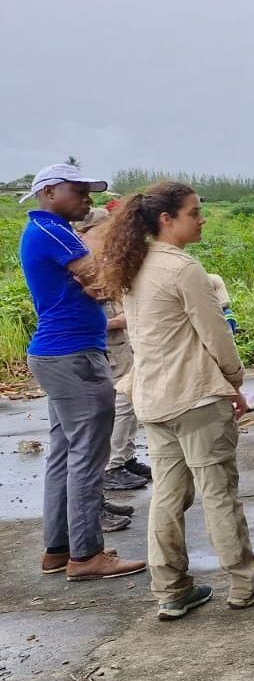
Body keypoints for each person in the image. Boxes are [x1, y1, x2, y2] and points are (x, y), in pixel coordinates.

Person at [97, 182, 254, 620]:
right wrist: (235, 382)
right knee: (218, 492)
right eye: (194, 212)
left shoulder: (136, 264)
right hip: (194, 397)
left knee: (168, 496)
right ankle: (248, 581)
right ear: (167, 220)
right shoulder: (182, 268)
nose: (202, 218)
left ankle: (171, 588)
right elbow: (216, 335)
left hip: (152, 397)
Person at [21, 164, 147, 582]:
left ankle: (58, 549)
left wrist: (95, 281)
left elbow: (94, 282)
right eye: (79, 191)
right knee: (87, 456)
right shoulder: (53, 230)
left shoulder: (44, 232)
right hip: (74, 356)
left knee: (64, 454)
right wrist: (105, 276)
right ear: (51, 191)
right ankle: (87, 555)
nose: (86, 199)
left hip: (56, 355)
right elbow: (101, 279)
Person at [77, 207, 149, 500]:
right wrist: (122, 319)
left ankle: (125, 457)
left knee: (129, 402)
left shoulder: (101, 262)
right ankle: (113, 465)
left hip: (120, 343)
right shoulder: (79, 265)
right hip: (109, 344)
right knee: (121, 404)